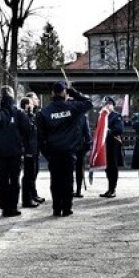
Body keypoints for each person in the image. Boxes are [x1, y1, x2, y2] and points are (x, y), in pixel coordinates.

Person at [35, 83, 92, 216]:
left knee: (55, 181)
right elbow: (89, 103)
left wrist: (46, 153)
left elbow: (40, 136)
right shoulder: (72, 107)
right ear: (64, 93)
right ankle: (66, 208)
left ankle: (56, 208)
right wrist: (75, 93)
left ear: (52, 93)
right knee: (68, 180)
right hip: (69, 151)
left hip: (53, 152)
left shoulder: (44, 112)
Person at [0, 86, 32, 217]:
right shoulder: (18, 112)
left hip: (0, 151)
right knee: (14, 180)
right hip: (15, 151)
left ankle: (4, 206)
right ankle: (13, 206)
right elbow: (27, 129)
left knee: (3, 179)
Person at [21, 92, 45, 208]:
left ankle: (33, 194)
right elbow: (29, 130)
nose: (38, 101)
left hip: (35, 148)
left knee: (34, 173)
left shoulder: (35, 114)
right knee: (28, 175)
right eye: (35, 99)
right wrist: (29, 113)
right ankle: (27, 198)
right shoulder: (25, 115)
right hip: (29, 149)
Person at [100, 98, 126, 197]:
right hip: (105, 145)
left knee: (113, 167)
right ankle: (109, 189)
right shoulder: (102, 116)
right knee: (107, 168)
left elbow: (119, 129)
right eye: (106, 104)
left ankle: (113, 189)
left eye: (109, 104)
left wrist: (108, 131)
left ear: (113, 105)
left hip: (113, 145)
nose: (107, 105)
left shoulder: (116, 116)